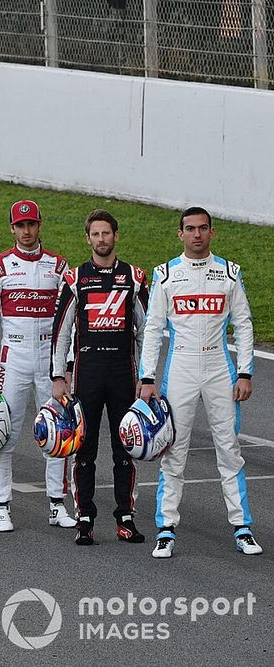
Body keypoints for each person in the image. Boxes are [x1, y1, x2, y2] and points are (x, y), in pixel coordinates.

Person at [138, 206, 262, 558]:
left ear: (212, 232)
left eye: (202, 228)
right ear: (180, 234)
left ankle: (242, 527)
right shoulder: (164, 275)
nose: (196, 234)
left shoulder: (228, 273)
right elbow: (151, 330)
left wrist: (245, 372)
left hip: (219, 366)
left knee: (230, 450)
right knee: (173, 451)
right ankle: (166, 528)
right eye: (190, 229)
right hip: (180, 368)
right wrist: (147, 378)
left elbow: (245, 323)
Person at [0, 200, 77, 532]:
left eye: (32, 224)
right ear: (12, 228)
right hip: (12, 359)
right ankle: (2, 506)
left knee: (58, 434)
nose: (27, 231)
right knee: (2, 433)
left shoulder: (60, 267)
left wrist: (68, 366)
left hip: (51, 359)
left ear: (40, 224)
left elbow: (70, 323)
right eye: (20, 226)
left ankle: (57, 504)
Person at [50, 209, 149, 546]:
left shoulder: (134, 277)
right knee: (84, 449)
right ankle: (85, 518)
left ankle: (125, 517)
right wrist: (58, 376)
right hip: (87, 372)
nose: (102, 239)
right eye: (96, 234)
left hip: (124, 372)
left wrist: (146, 376)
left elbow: (147, 331)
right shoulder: (75, 278)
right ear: (88, 238)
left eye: (107, 233)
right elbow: (61, 331)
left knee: (127, 448)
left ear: (116, 236)